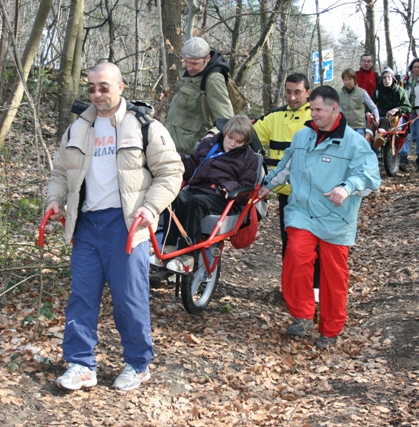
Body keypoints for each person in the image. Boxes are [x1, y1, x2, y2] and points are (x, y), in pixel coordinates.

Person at [45, 62, 184, 391]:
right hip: (87, 224)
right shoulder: (77, 128)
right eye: (91, 88)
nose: (96, 94)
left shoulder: (144, 126)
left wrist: (151, 209)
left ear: (120, 87)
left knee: (129, 298)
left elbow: (171, 172)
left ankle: (138, 364)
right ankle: (81, 364)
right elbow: (60, 174)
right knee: (82, 296)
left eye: (104, 87)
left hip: (126, 223)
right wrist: (54, 200)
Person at [257, 86, 381, 349]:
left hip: (337, 218)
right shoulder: (303, 136)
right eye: (311, 109)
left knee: (334, 275)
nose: (313, 114)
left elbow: (370, 178)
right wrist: (267, 186)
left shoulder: (354, 142)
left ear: (335, 109)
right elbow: (286, 167)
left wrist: (346, 188)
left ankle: (330, 328)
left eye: (318, 110)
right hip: (302, 212)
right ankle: (302, 315)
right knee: (296, 258)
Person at [158, 115, 258, 272]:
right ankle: (167, 248)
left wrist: (229, 187)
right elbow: (191, 166)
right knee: (173, 198)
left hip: (221, 196)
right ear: (225, 133)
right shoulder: (209, 144)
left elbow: (247, 186)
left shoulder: (248, 158)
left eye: (238, 142)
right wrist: (178, 159)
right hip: (197, 188)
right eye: (230, 138)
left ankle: (187, 256)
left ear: (245, 142)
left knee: (196, 202)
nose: (232, 144)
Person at [253, 72, 312, 257]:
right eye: (288, 92)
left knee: (311, 241)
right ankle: (291, 283)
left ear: (308, 93)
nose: (292, 97)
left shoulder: (317, 115)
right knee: (288, 240)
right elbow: (250, 138)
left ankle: (315, 284)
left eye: (297, 92)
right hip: (284, 191)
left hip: (314, 192)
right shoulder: (274, 117)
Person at [165, 37, 234, 154]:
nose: (189, 66)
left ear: (207, 58)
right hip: (170, 147)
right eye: (186, 61)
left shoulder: (213, 80)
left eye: (194, 63)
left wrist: (211, 135)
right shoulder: (190, 72)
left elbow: (226, 120)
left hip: (191, 154)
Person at [339, 68, 379, 138]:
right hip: (345, 127)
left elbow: (373, 107)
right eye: (345, 80)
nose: (347, 82)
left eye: (350, 79)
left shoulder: (362, 93)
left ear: (354, 80)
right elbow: (339, 110)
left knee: (358, 146)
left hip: (359, 127)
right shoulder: (340, 94)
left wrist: (377, 119)